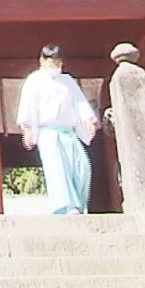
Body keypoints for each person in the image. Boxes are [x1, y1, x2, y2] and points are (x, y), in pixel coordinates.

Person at [16, 43, 99, 214]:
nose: (56, 66)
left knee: (82, 168)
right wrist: (28, 129)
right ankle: (65, 207)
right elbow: (27, 106)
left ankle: (79, 205)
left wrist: (88, 120)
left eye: (58, 62)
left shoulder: (67, 81)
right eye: (52, 62)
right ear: (42, 61)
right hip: (48, 133)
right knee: (58, 170)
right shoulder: (34, 80)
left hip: (68, 132)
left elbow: (79, 102)